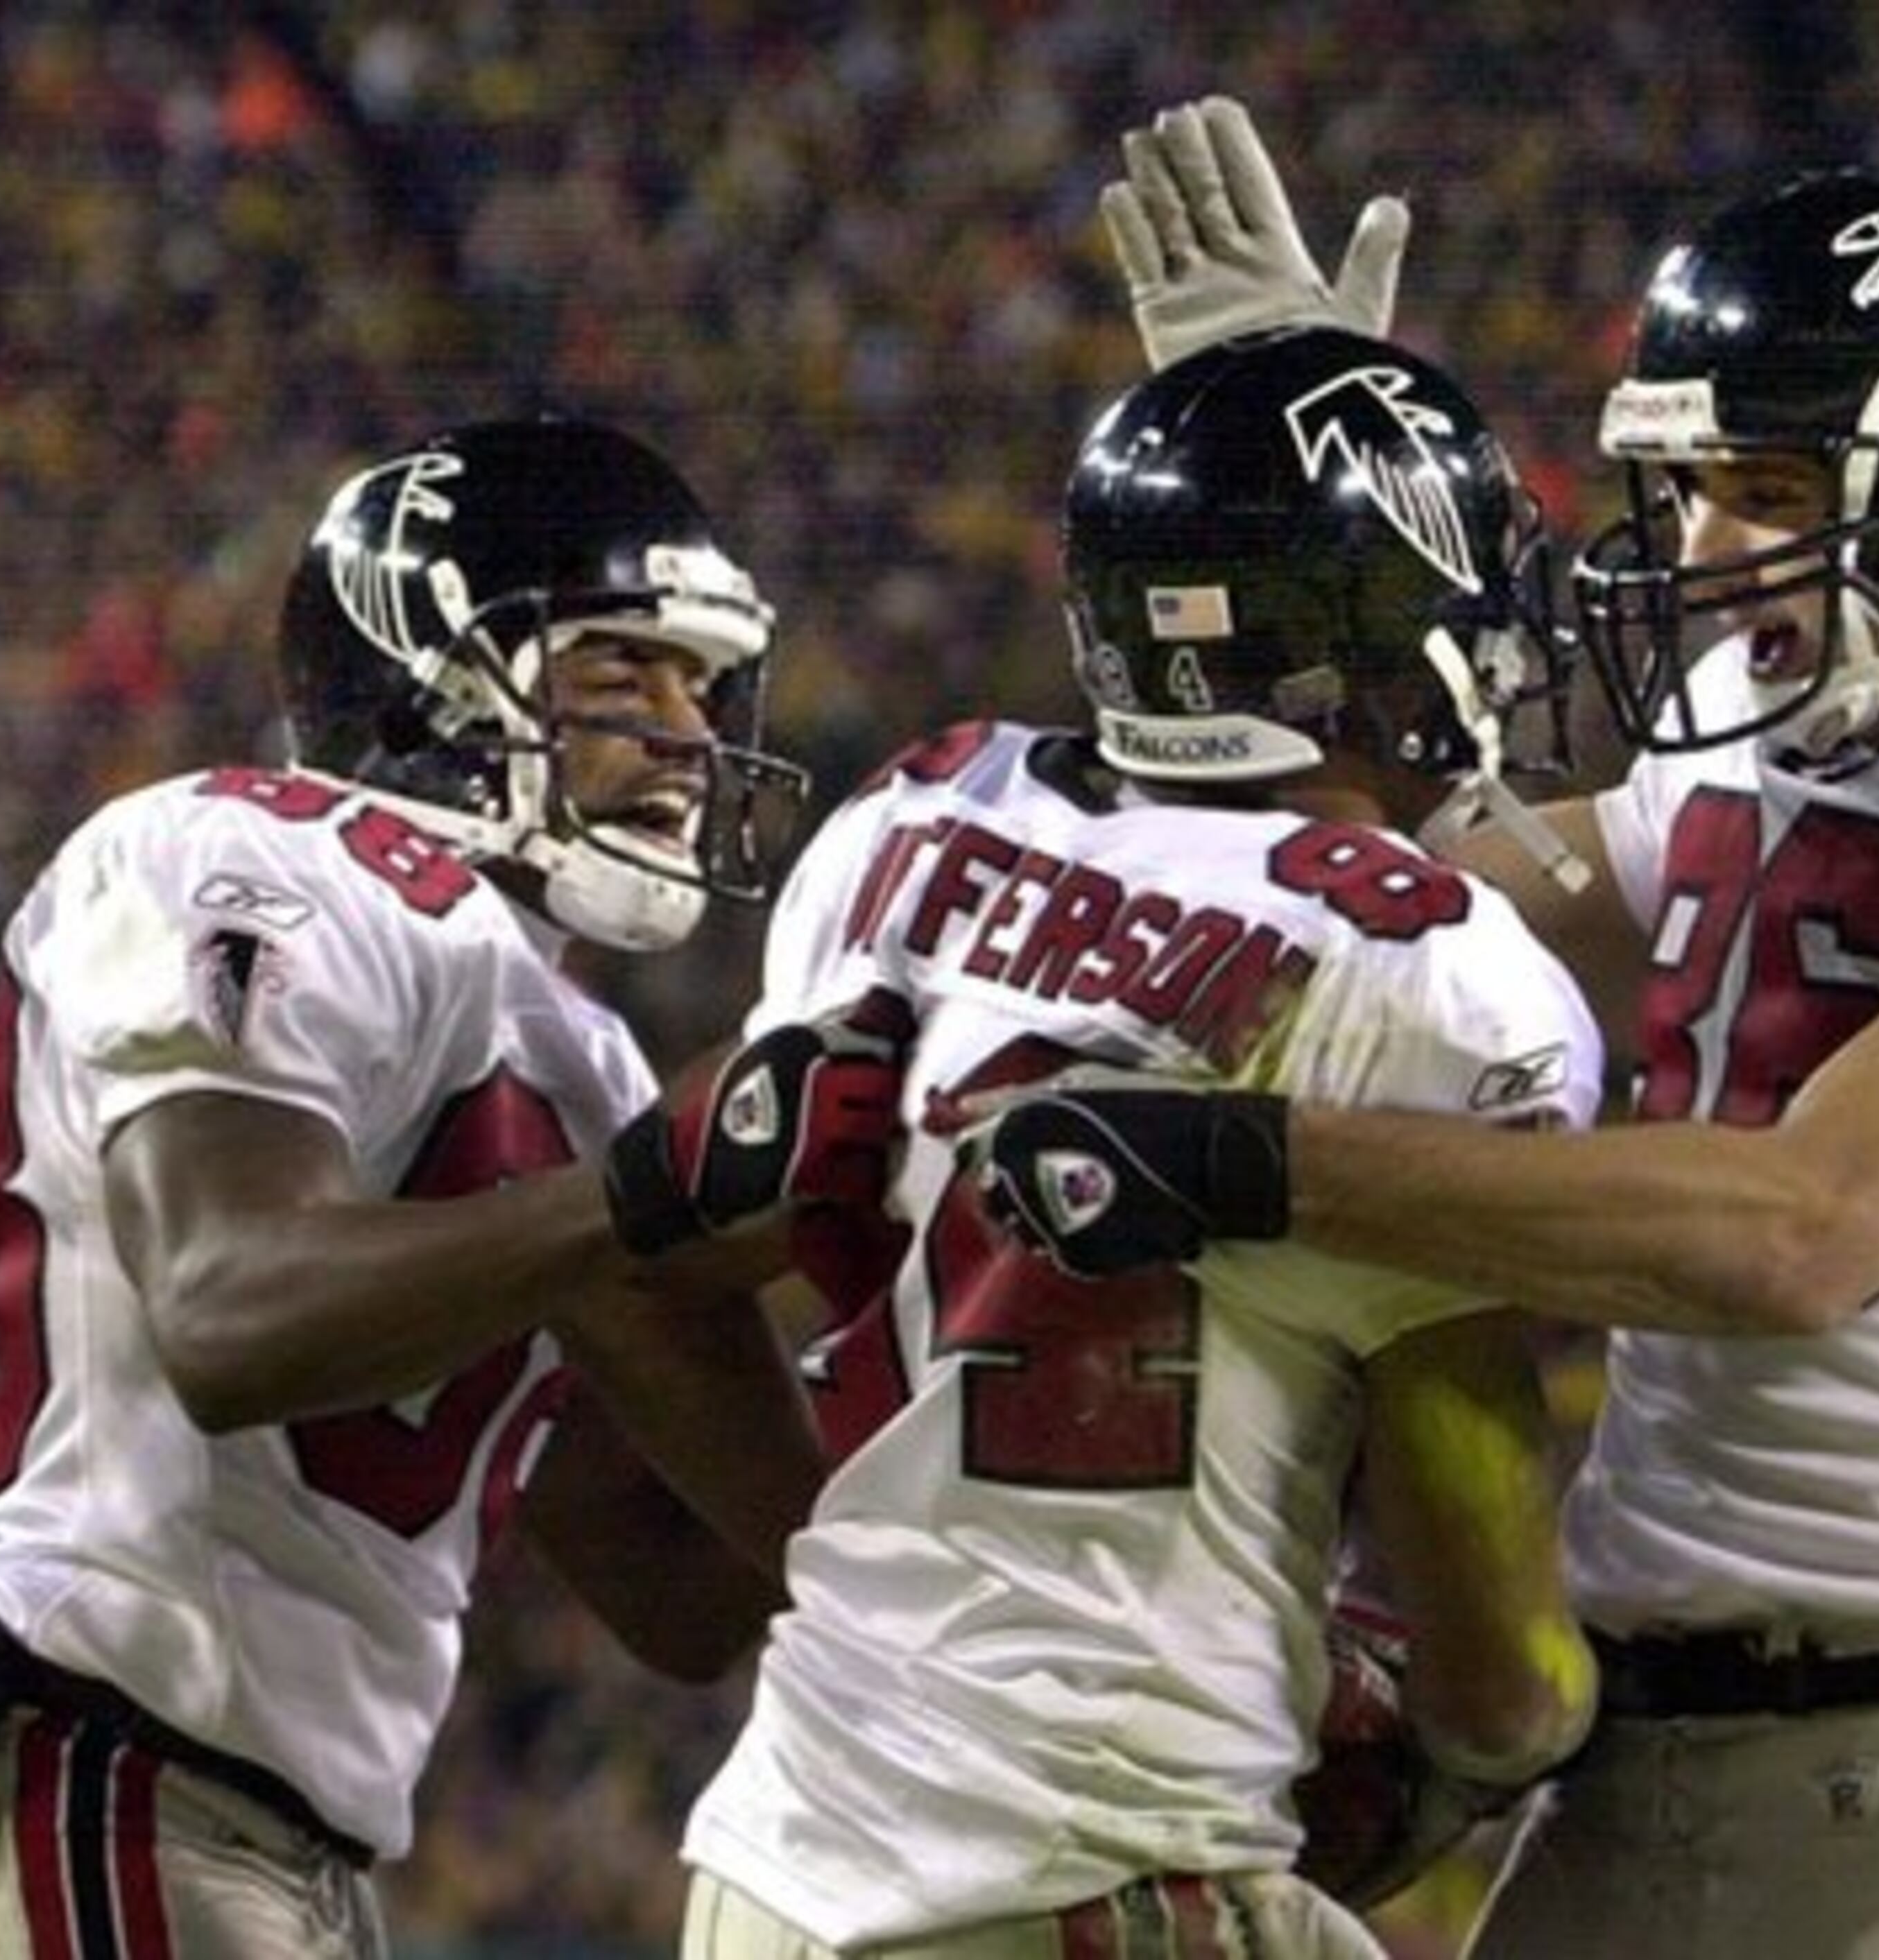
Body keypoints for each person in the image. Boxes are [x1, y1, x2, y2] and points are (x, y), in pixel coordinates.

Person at [968, 101, 1879, 1958]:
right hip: (1622, 1748)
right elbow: (1405, 899)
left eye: (1771, 492)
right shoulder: (1749, 710)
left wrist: (1248, 1164)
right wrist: (1304, 494)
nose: (1703, 544)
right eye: (1693, 483)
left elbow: (1809, 1235)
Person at [0, 415, 891, 1959]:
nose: (691, 734)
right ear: (435, 681)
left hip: (270, 1845)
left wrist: (914, 1283)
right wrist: (647, 1193)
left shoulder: (576, 1055)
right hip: (87, 1774)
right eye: (623, 677)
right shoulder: (250, 848)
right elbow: (231, 1315)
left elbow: (699, 1593)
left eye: (704, 689)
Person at [676, 323, 1602, 1960]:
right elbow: (1502, 1677)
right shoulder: (1422, 971)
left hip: (782, 1849)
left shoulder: (913, 817)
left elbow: (694, 1244)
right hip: (1095, 1880)